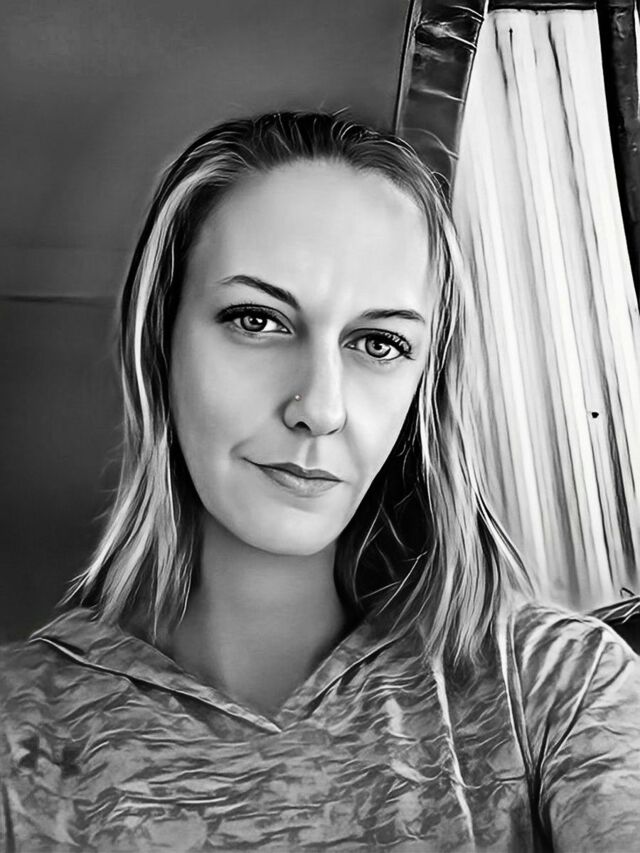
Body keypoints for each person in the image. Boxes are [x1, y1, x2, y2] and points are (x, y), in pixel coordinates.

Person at [1, 111, 639, 852]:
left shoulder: (559, 686)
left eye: (380, 342)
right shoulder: (19, 731)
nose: (321, 408)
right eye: (257, 320)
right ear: (160, 342)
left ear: (422, 387)